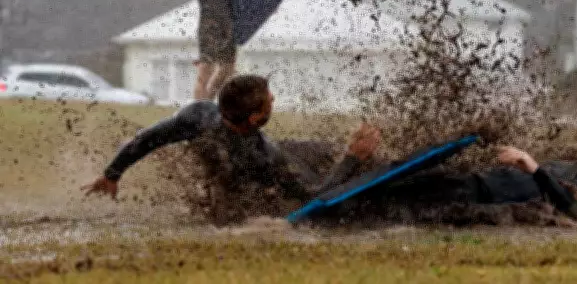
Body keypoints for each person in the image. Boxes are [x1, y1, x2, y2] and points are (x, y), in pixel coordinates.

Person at [81, 74, 380, 203]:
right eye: (270, 102)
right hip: (271, 173)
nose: (273, 100)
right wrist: (353, 158)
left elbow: (145, 139)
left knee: (324, 147)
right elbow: (314, 196)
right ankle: (362, 157)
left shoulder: (198, 114)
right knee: (337, 159)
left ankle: (352, 153)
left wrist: (111, 174)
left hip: (276, 151)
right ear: (253, 118)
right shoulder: (263, 157)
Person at [352, 145, 577, 221]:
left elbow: (574, 210)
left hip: (473, 198)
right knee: (384, 190)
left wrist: (533, 166)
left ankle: (342, 206)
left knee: (383, 205)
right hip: (469, 182)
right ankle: (351, 178)